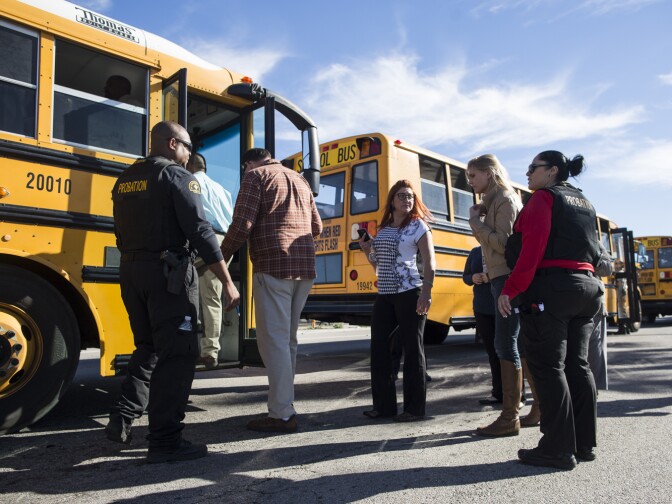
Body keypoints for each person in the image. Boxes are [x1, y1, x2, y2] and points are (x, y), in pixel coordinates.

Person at [106, 121, 240, 463]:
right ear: (171, 143)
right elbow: (200, 230)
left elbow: (119, 232)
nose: (189, 155)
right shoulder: (178, 177)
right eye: (187, 147)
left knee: (148, 346)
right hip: (168, 275)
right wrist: (226, 279)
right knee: (178, 354)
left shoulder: (125, 180)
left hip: (132, 271)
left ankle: (123, 414)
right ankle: (165, 440)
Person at [499, 150, 603, 471]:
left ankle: (557, 448)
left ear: (552, 171)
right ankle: (583, 444)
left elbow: (532, 249)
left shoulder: (544, 199)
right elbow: (596, 252)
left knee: (547, 366)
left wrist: (510, 289)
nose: (528, 174)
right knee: (577, 365)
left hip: (554, 288)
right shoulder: (585, 203)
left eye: (533, 168)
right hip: (587, 287)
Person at [220, 148, 322, 434]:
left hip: (272, 264)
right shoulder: (300, 180)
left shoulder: (256, 176)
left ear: (248, 163)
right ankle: (284, 405)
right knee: (288, 341)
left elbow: (242, 224)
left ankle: (281, 414)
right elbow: (317, 227)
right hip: (304, 266)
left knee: (273, 342)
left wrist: (218, 258)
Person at [359, 180, 436, 422]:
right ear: (392, 200)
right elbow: (379, 265)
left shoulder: (418, 226)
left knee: (413, 349)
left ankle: (414, 409)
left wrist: (426, 291)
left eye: (410, 197)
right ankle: (384, 406)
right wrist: (366, 251)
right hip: (385, 294)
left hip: (410, 292)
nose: (407, 200)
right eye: (402, 196)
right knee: (379, 348)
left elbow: (430, 263)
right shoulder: (384, 229)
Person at [467, 154, 523, 437]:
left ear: (489, 173)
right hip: (499, 278)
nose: (470, 181)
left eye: (473, 175)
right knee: (514, 342)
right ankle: (534, 410)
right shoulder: (492, 202)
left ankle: (510, 416)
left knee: (506, 342)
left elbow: (505, 244)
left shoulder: (504, 199)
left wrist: (476, 223)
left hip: (507, 278)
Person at [186, 152, 234, 369]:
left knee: (187, 294)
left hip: (204, 239)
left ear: (189, 165)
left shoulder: (190, 182)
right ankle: (210, 351)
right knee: (212, 298)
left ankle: (193, 347)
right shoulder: (223, 190)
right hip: (225, 242)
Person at [462, 246, 500, 405]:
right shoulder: (475, 252)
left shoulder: (500, 248)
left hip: (501, 306)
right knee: (492, 352)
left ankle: (516, 394)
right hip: (481, 307)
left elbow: (508, 270)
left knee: (507, 352)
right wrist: (473, 278)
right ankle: (497, 393)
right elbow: (465, 276)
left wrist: (488, 277)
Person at [588, 241, 614, 390]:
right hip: (567, 301)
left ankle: (593, 390)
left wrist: (591, 258)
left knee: (594, 350)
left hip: (593, 302)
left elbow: (608, 268)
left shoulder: (592, 240)